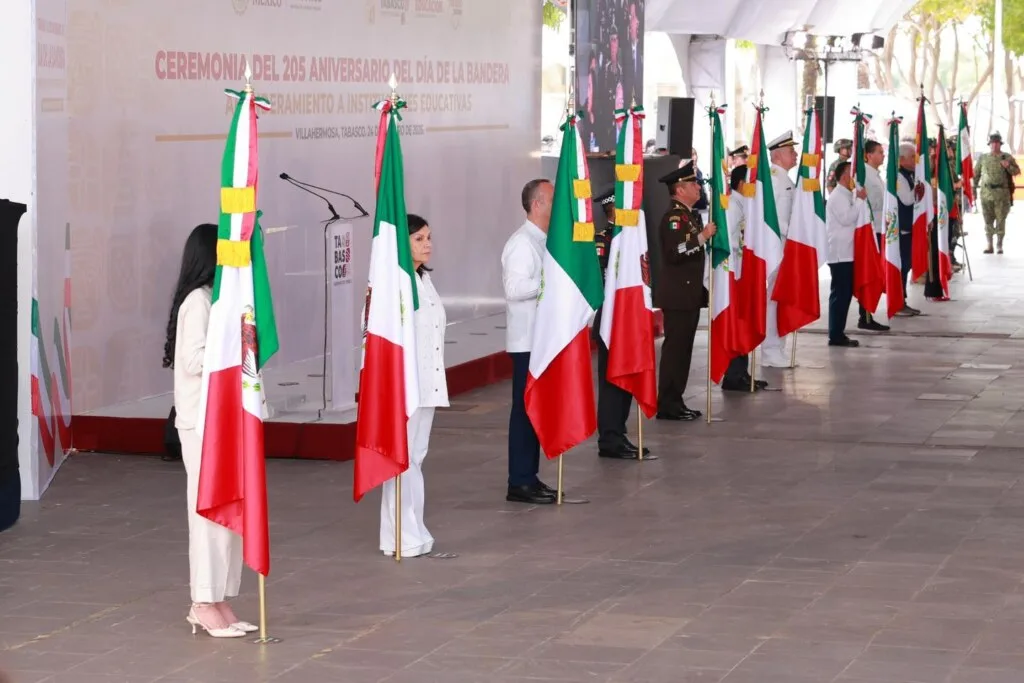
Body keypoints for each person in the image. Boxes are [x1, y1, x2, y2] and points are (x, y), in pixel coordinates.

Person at [163, 224, 252, 638]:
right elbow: (195, 360)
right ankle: (202, 601)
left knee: (229, 510)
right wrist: (233, 346)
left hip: (223, 421)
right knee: (208, 513)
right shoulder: (197, 302)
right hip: (201, 424)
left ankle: (219, 597)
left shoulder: (217, 299)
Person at [379, 214, 456, 559]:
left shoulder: (424, 280)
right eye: (419, 239)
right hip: (405, 384)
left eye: (429, 237)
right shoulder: (394, 284)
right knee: (401, 458)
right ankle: (400, 534)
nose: (428, 244)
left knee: (416, 457)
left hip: (427, 381)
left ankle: (412, 528)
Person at [502, 179, 557, 504]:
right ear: (537, 204)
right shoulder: (522, 243)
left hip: (540, 340)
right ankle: (519, 481)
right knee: (524, 411)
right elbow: (514, 289)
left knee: (534, 409)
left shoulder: (543, 241)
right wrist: (551, 282)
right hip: (526, 342)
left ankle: (529, 476)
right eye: (552, 199)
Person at [591, 189, 654, 460]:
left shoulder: (630, 241)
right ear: (614, 211)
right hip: (611, 318)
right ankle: (609, 438)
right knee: (612, 384)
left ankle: (619, 432)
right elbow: (599, 278)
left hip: (627, 317)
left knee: (625, 376)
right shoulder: (603, 240)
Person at [654, 161, 716, 420]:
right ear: (680, 190)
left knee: (684, 351)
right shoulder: (674, 218)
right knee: (675, 351)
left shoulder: (689, 215)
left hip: (688, 295)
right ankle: (668, 403)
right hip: (678, 295)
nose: (698, 188)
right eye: (693, 184)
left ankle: (676, 400)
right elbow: (675, 252)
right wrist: (701, 237)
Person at [721, 165, 767, 392]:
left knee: (744, 322)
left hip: (742, 272)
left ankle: (742, 373)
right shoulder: (732, 205)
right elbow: (727, 242)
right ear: (741, 183)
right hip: (734, 274)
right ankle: (733, 376)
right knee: (737, 324)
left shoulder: (744, 205)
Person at [762, 131, 798, 368]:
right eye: (791, 151)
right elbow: (771, 215)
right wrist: (792, 232)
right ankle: (770, 350)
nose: (795, 155)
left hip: (785, 244)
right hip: (776, 245)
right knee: (774, 297)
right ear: (777, 156)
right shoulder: (775, 180)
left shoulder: (784, 179)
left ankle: (777, 347)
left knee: (780, 296)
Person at [825, 162, 866, 347]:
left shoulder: (847, 195)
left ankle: (838, 332)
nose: (854, 178)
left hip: (847, 251)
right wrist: (860, 200)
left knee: (844, 293)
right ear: (843, 177)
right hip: (840, 253)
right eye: (852, 173)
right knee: (840, 294)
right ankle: (835, 335)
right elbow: (847, 218)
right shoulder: (838, 196)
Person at [859, 139, 890, 332]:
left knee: (876, 273)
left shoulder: (876, 175)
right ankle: (866, 316)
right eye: (879, 152)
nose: (883, 155)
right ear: (869, 155)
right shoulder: (865, 176)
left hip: (879, 229)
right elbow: (872, 203)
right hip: (871, 231)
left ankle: (869, 313)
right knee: (870, 273)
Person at [974, 131, 1020, 254]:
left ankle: (999, 244)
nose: (994, 145)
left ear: (1000, 144)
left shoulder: (1007, 157)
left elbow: (1017, 172)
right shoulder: (983, 158)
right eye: (992, 143)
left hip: (1002, 194)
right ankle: (989, 244)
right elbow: (976, 175)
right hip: (986, 193)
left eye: (997, 143)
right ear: (989, 144)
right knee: (987, 219)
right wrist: (973, 191)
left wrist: (1008, 166)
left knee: (1001, 219)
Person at [894, 142, 921, 316]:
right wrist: (919, 189)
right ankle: (898, 302)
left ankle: (901, 300)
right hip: (901, 228)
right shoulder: (899, 177)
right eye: (912, 157)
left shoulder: (909, 175)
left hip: (908, 227)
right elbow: (907, 200)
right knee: (902, 266)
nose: (915, 160)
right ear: (902, 159)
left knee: (906, 264)